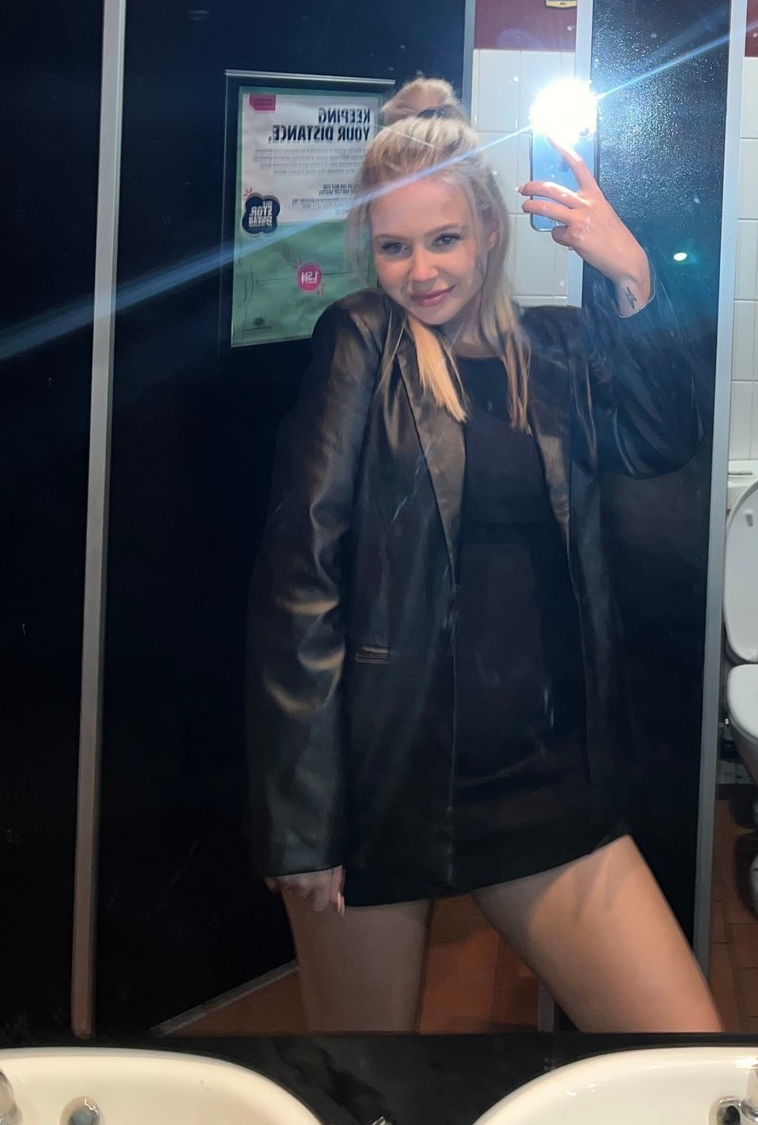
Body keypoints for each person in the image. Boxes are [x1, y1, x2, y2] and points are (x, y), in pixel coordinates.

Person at [246, 77, 721, 1033]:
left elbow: (658, 440)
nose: (420, 271)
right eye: (394, 247)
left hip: (543, 784)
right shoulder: (361, 342)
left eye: (444, 240)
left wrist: (634, 280)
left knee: (685, 1049)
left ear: (491, 233)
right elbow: (301, 582)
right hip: (386, 787)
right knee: (363, 1085)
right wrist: (302, 823)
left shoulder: (552, 351)